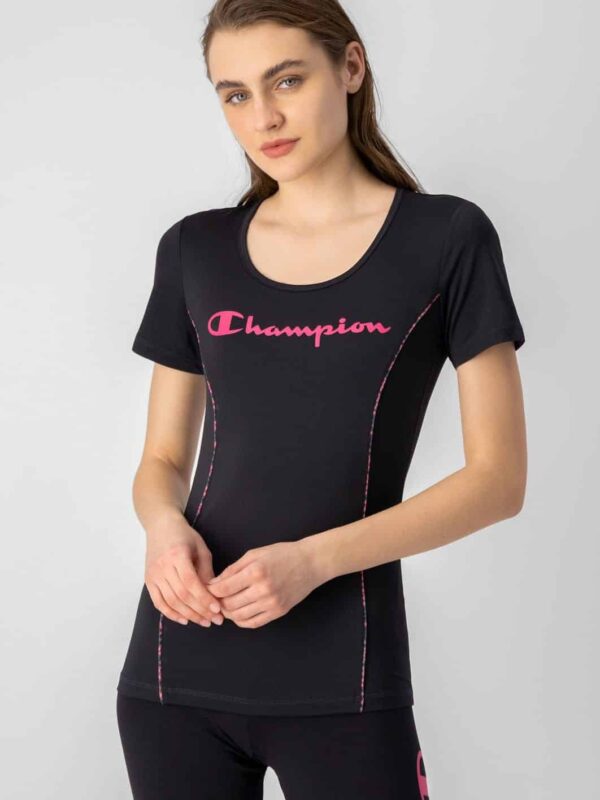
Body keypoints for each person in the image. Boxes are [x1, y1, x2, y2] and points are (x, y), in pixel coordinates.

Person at [115, 1, 527, 798]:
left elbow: (498, 481)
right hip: (175, 672)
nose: (263, 118)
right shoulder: (195, 250)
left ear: (351, 67)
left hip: (347, 679)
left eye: (287, 81)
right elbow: (162, 459)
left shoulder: (446, 239)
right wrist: (164, 530)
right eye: (235, 94)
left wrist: (311, 562)